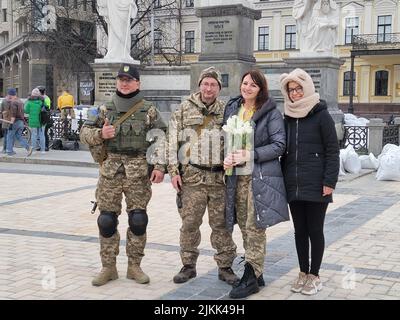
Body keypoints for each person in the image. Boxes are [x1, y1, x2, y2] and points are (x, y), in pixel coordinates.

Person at [80, 64, 166, 287]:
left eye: (129, 79)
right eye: (121, 79)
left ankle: (134, 266)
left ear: (137, 83)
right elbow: (84, 133)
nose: (125, 83)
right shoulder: (104, 109)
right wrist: (101, 133)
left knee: (138, 220)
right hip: (110, 171)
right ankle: (108, 267)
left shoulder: (149, 110)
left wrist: (159, 167)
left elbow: (161, 138)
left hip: (138, 172)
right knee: (106, 220)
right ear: (117, 82)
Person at [167, 67, 239, 286]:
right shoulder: (183, 109)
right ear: (199, 86)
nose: (209, 88)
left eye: (213, 85)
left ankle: (225, 267)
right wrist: (173, 171)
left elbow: (235, 141)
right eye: (205, 84)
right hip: (192, 178)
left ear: (219, 88)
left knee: (222, 225)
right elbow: (171, 142)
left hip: (218, 180)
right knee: (189, 224)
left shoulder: (227, 111)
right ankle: (188, 265)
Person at [223, 69, 289, 299]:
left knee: (255, 227)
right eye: (245, 83)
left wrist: (249, 154)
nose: (247, 88)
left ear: (261, 89)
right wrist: (227, 157)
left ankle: (250, 277)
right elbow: (226, 140)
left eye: (253, 85)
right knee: (243, 224)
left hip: (258, 178)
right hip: (235, 178)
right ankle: (256, 271)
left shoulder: (270, 112)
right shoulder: (233, 108)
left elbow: (279, 145)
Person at [279, 68, 339, 295]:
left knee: (315, 230)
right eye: (290, 90)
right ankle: (303, 272)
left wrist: (329, 181)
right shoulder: (288, 115)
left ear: (307, 89)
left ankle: (315, 275)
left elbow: (332, 150)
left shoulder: (321, 114)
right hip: (293, 182)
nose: (294, 94)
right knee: (299, 231)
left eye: (298, 89)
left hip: (317, 183)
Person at [5, 89, 32, 156]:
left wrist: (11, 123)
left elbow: (13, 114)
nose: (8, 96)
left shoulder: (13, 102)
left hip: (15, 121)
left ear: (10, 95)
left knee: (10, 136)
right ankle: (28, 147)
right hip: (21, 122)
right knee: (18, 136)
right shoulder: (20, 101)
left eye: (8, 94)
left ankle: (9, 151)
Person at [24, 88, 46, 154]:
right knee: (42, 135)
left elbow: (26, 111)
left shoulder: (29, 102)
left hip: (33, 121)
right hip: (41, 120)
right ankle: (43, 150)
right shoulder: (42, 101)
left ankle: (33, 150)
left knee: (34, 135)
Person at [37, 86, 52, 151]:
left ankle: (45, 146)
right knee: (43, 132)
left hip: (44, 116)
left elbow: (46, 108)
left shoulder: (43, 98)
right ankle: (43, 146)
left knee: (44, 132)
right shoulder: (47, 98)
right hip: (45, 116)